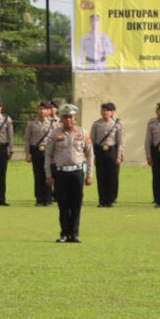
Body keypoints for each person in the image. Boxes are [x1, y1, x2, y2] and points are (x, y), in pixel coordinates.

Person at [45, 102, 95, 241]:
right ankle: (64, 233)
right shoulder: (54, 134)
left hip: (77, 173)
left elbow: (90, 154)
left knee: (76, 204)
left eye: (71, 117)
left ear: (75, 119)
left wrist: (90, 174)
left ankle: (75, 233)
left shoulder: (83, 133)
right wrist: (48, 174)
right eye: (65, 117)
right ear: (61, 119)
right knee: (63, 204)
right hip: (60, 173)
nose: (68, 120)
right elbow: (48, 155)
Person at [89, 102, 124, 208]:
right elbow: (92, 141)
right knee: (101, 177)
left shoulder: (117, 124)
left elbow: (120, 142)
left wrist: (119, 155)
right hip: (100, 151)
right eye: (103, 110)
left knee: (112, 177)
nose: (105, 112)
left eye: (108, 110)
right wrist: (92, 156)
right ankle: (102, 200)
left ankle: (110, 200)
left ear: (112, 112)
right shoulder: (96, 124)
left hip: (112, 151)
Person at [25, 101, 55, 206]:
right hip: (36, 151)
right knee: (37, 175)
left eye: (44, 109)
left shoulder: (52, 123)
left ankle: (48, 198)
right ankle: (39, 198)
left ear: (48, 111)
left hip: (48, 151)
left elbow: (55, 139)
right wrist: (27, 153)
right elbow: (27, 139)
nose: (42, 111)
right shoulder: (31, 123)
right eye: (40, 109)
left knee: (48, 174)